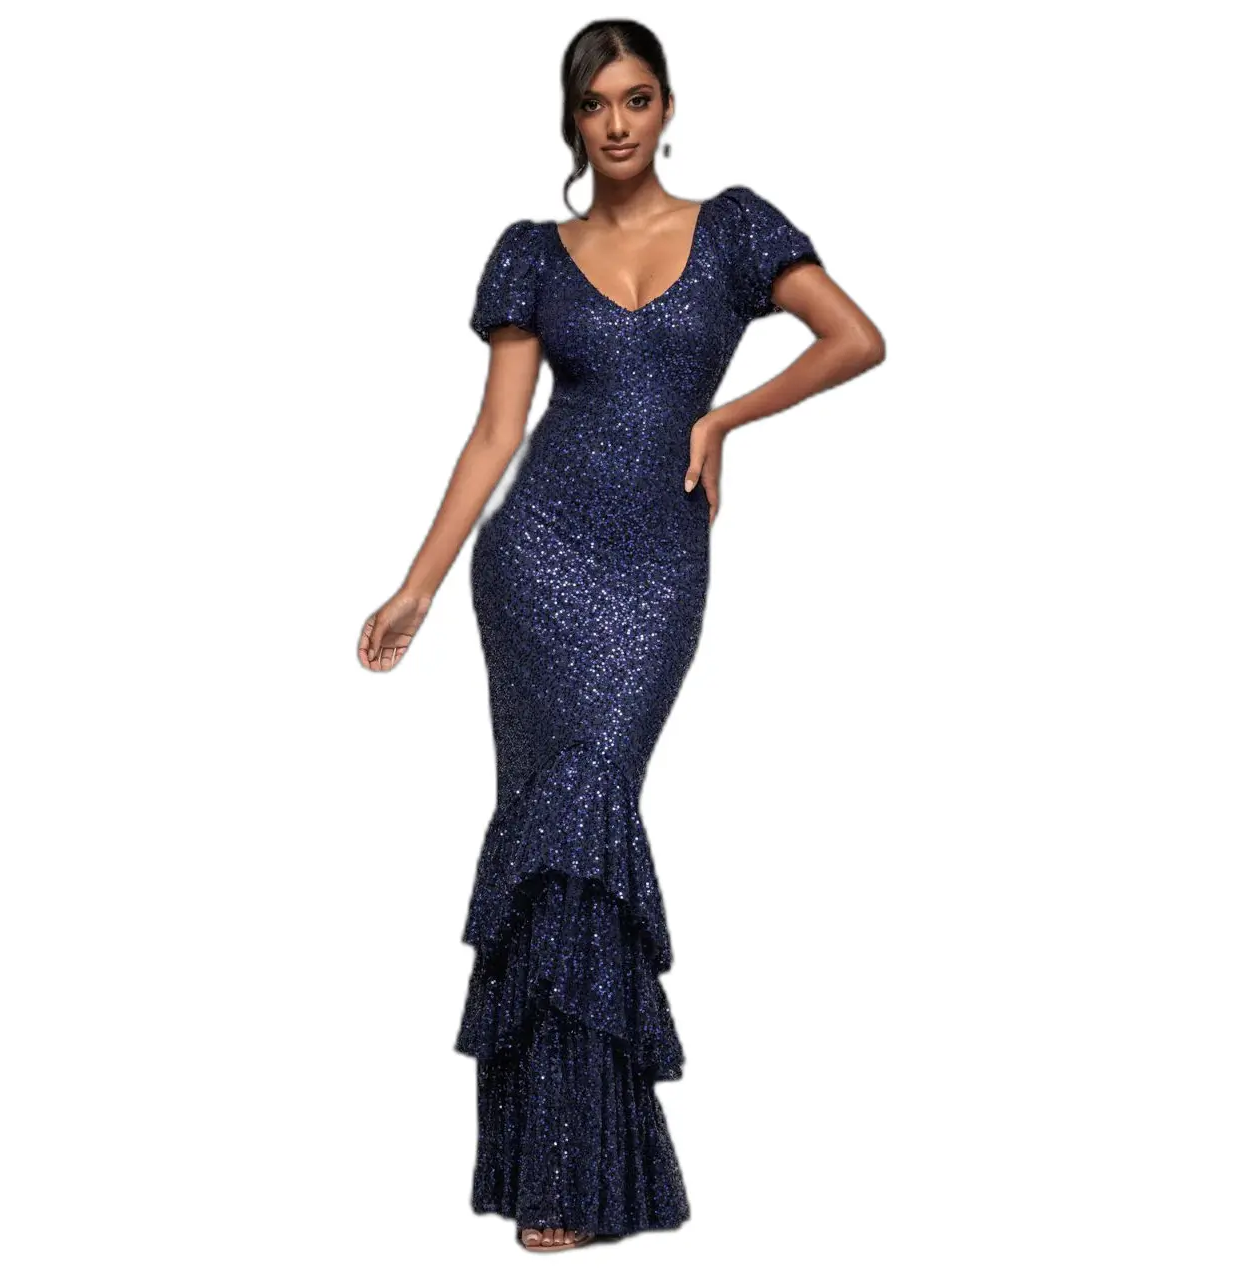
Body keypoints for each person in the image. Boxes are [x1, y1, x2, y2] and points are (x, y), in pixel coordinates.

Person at [358, 19, 884, 1253]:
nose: (616, 124)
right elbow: (496, 434)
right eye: (595, 104)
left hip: (655, 564)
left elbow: (856, 337)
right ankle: (558, 1177)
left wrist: (723, 418)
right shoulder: (530, 252)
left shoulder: (737, 227)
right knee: (549, 843)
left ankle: (584, 1168)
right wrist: (419, 585)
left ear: (667, 108)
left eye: (636, 99)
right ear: (570, 118)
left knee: (591, 806)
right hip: (532, 559)